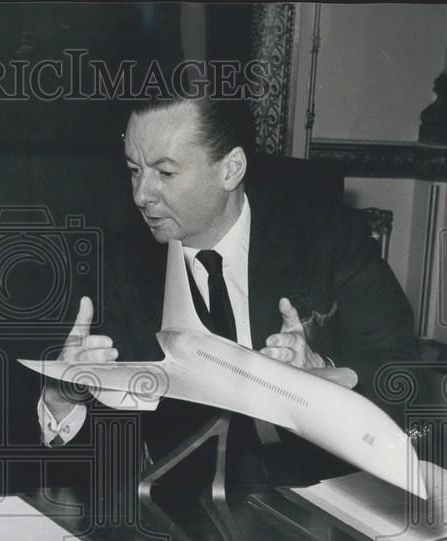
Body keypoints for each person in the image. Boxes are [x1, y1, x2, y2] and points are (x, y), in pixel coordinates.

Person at [38, 96, 419, 484]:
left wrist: (321, 377)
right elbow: (89, 470)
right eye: (134, 170)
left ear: (231, 169)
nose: (141, 194)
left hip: (313, 502)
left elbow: (405, 380)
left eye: (164, 174)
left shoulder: (329, 241)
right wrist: (63, 400)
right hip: (176, 514)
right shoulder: (113, 266)